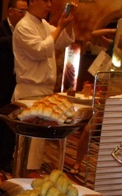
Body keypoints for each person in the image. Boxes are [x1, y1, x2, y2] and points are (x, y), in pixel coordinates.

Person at [12, 0, 75, 173]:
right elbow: (40, 51)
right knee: (28, 145)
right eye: (45, 1)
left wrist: (67, 23)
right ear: (32, 2)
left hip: (44, 91)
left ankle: (31, 174)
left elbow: (62, 41)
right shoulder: (24, 26)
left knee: (38, 146)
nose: (49, 5)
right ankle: (23, 176)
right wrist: (60, 26)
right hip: (29, 90)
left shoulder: (44, 24)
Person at [0, 0, 28, 173]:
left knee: (11, 124)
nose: (24, 15)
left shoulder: (27, 30)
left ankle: (6, 159)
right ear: (10, 11)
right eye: (21, 11)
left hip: (16, 85)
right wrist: (18, 38)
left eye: (26, 11)